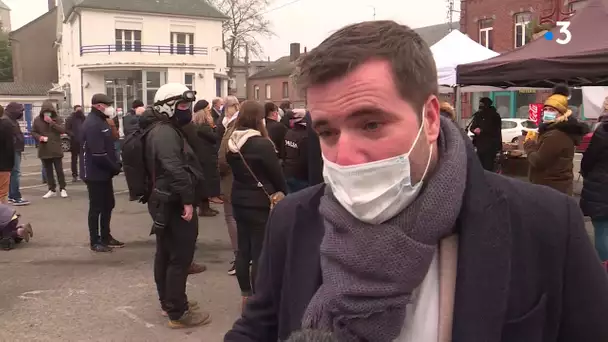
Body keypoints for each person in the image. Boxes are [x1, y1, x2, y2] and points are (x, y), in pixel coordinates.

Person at [225, 20, 608, 342]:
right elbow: (257, 329)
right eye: (327, 132)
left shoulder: (546, 224)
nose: (344, 155)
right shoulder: (293, 221)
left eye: (371, 124)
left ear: (428, 119)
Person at [139, 83, 210, 328]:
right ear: (167, 106)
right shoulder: (165, 132)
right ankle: (178, 313)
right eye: (181, 105)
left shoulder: (161, 128)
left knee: (166, 254)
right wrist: (188, 200)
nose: (186, 110)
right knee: (179, 258)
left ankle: (169, 302)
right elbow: (173, 167)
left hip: (164, 199)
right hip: (173, 201)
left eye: (187, 105)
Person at [226, 100, 287, 310]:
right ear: (258, 118)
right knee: (259, 251)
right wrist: (283, 192)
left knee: (243, 250)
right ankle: (258, 299)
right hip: (259, 202)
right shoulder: (261, 143)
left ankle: (245, 294)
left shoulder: (231, 141)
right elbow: (276, 174)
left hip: (239, 199)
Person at [80, 94, 124, 253]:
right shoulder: (93, 124)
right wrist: (114, 167)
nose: (110, 108)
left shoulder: (101, 121)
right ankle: (95, 240)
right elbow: (98, 154)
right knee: (97, 207)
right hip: (95, 173)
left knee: (108, 204)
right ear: (99, 106)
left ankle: (106, 236)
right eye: (108, 105)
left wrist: (115, 164)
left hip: (104, 172)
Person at [524, 85, 587, 195]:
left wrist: (529, 144)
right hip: (555, 187)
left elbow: (538, 161)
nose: (548, 112)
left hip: (551, 189)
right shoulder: (554, 131)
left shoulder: (556, 135)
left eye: (552, 110)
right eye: (546, 109)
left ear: (562, 113)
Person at [218, 96, 240, 275]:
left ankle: (240, 256)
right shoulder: (253, 128)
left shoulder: (233, 128)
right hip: (241, 180)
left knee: (231, 217)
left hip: (231, 179)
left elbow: (223, 158)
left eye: (227, 107)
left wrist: (219, 169)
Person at [580, 117, 608, 263]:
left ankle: (604, 267)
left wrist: (585, 173)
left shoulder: (603, 131)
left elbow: (588, 160)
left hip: (601, 188)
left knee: (602, 231)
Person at [189, 100, 221, 216]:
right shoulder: (204, 126)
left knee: (204, 182)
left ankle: (205, 207)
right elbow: (215, 137)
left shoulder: (194, 125)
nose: (209, 110)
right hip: (206, 156)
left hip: (201, 156)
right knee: (206, 182)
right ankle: (204, 208)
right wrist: (214, 127)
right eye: (207, 108)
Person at [31, 101, 69, 199]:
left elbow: (63, 130)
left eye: (49, 111)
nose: (47, 113)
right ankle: (51, 189)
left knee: (59, 170)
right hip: (44, 149)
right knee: (48, 171)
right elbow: (33, 132)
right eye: (45, 112)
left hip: (56, 148)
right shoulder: (37, 120)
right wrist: (39, 137)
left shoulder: (58, 119)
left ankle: (63, 188)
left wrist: (51, 123)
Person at [4, 102, 29, 205]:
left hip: (15, 149)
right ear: (14, 111)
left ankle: (11, 195)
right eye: (20, 111)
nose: (21, 113)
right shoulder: (7, 120)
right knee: (15, 173)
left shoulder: (11, 119)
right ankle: (15, 196)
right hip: (13, 149)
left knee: (12, 173)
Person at [469, 97, 502, 171]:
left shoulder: (495, 116)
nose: (480, 106)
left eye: (482, 104)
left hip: (490, 146)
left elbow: (496, 130)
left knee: (488, 167)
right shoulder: (478, 115)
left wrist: (482, 131)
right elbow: (472, 127)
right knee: (479, 167)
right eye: (480, 104)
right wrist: (474, 130)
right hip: (479, 145)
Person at [283, 109, 309, 193]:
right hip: (302, 177)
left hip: (289, 173)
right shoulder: (306, 136)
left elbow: (284, 152)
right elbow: (306, 158)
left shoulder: (288, 133)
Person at [65, 105, 86, 182]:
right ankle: (74, 174)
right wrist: (73, 135)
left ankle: (83, 174)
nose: (79, 112)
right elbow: (66, 129)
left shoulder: (84, 118)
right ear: (74, 110)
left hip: (83, 141)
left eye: (80, 110)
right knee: (74, 159)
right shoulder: (70, 119)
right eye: (78, 110)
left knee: (83, 159)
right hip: (74, 142)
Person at [0, 105, 14, 204]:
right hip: (3, 165)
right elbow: (10, 146)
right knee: (2, 192)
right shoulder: (6, 125)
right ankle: (3, 215)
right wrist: (11, 164)